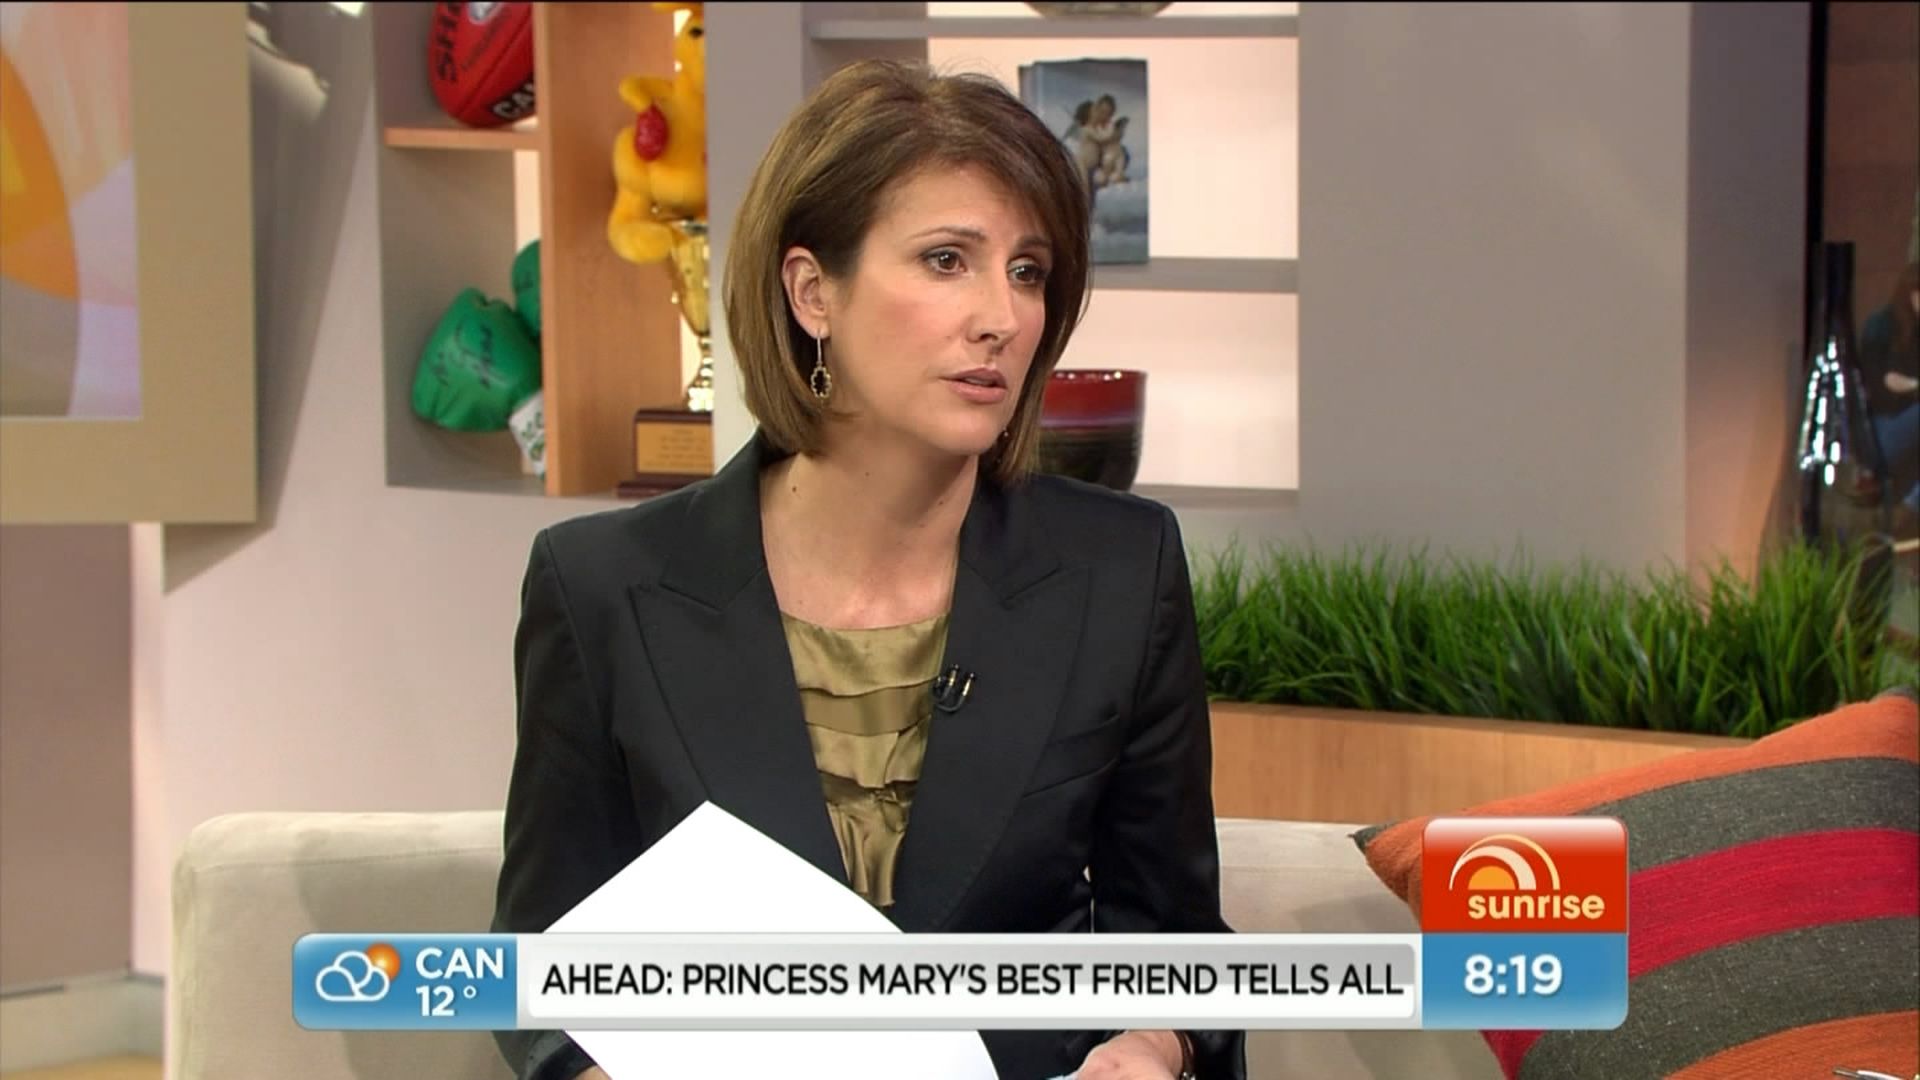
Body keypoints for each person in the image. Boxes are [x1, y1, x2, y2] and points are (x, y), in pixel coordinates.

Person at [491, 59, 1245, 1080]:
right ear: (813, 291)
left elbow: (1175, 938)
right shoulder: (603, 588)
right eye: (947, 260)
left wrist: (1154, 1044)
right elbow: (543, 957)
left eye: (1028, 271)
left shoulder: (1119, 569)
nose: (1002, 315)